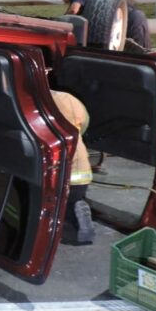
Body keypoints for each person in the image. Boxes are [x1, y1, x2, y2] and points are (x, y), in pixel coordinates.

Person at [53, 0, 150, 49]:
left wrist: (58, 23)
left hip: (127, 20)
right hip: (127, 17)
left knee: (139, 58)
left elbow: (73, 10)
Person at [51, 90, 96, 244]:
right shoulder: (67, 98)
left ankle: (74, 227)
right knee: (74, 198)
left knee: (59, 206)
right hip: (81, 166)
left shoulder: (32, 102)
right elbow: (84, 123)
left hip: (61, 170)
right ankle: (79, 204)